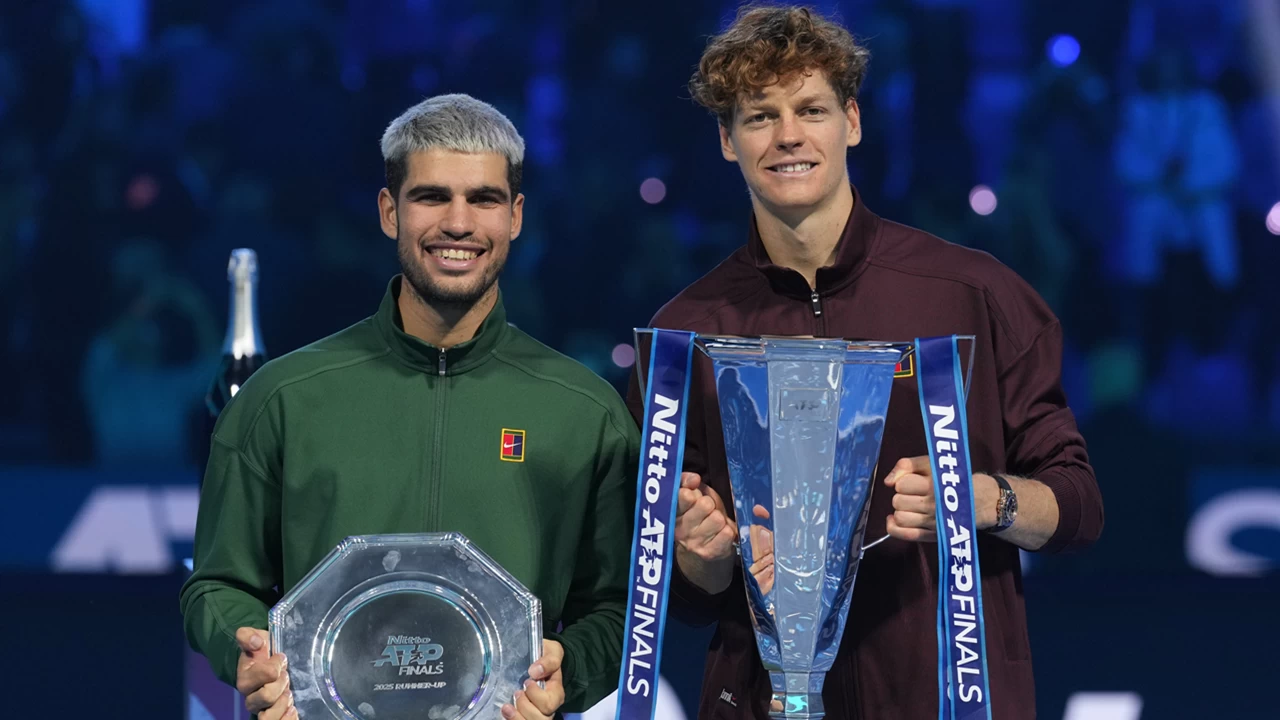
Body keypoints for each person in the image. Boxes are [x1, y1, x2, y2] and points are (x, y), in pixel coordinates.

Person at [628, 6, 1103, 719]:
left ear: (851, 121)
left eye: (811, 109)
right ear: (726, 141)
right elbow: (690, 596)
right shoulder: (686, 334)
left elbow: (1079, 508)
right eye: (759, 117)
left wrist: (982, 500)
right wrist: (701, 555)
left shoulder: (975, 295)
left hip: (946, 699)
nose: (788, 135)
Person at [180, 94, 638, 720]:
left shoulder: (585, 410)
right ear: (389, 211)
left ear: (516, 216)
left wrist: (570, 671)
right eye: (431, 197)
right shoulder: (283, 398)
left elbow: (618, 606)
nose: (458, 222)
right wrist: (247, 652)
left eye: (484, 199)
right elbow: (217, 584)